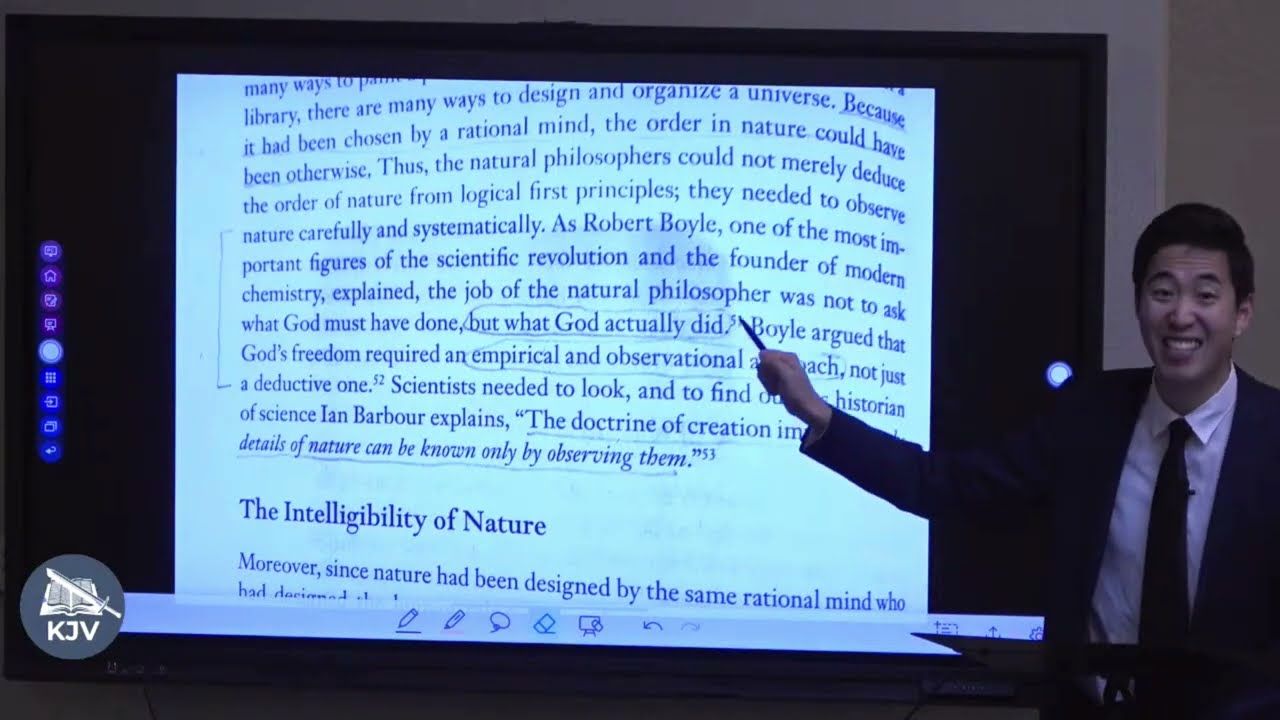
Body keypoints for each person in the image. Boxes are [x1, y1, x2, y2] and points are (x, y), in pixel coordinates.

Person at [756, 203, 1280, 718]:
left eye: (1205, 295)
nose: (1181, 315)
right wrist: (821, 417)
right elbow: (947, 485)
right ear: (1139, 303)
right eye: (1162, 292)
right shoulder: (1090, 415)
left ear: (1242, 313)